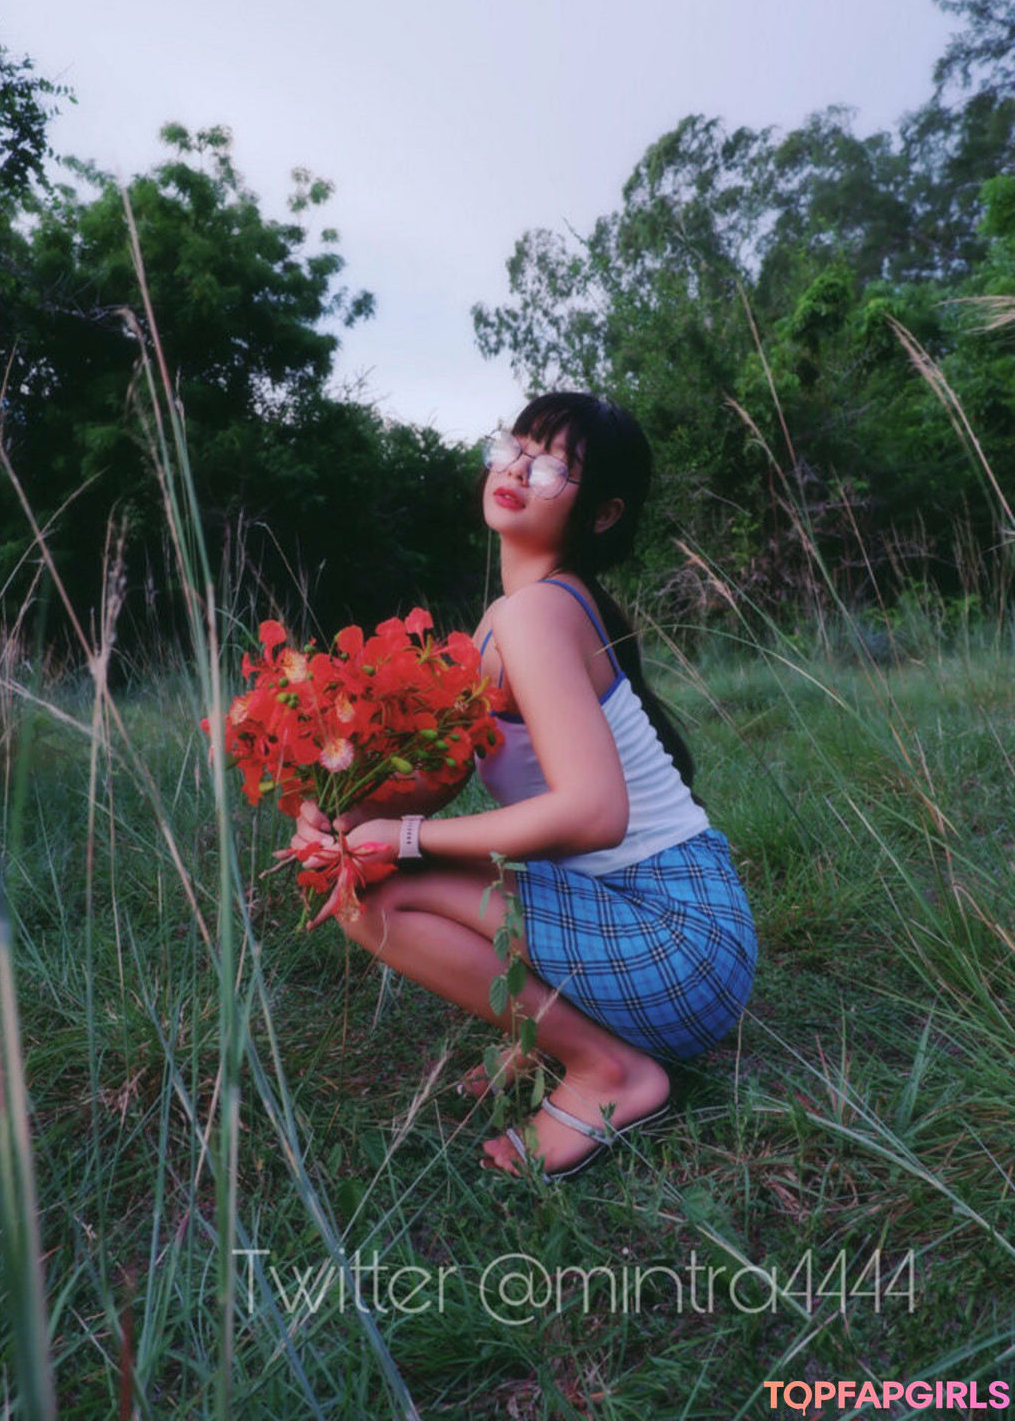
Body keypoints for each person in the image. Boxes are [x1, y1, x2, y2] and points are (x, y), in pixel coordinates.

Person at [296, 391, 757, 1180]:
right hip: (661, 932)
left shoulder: (539, 614)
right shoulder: (503, 622)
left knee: (368, 892)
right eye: (514, 447)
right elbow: (436, 777)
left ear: (602, 514)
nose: (515, 469)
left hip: (679, 942)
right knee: (354, 862)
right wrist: (336, 808)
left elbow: (593, 813)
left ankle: (608, 1070)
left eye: (551, 467)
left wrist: (400, 841)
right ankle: (556, 1038)